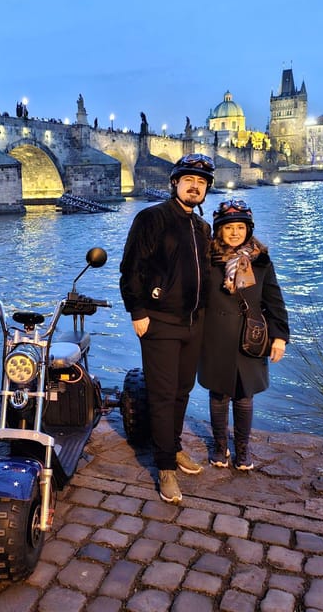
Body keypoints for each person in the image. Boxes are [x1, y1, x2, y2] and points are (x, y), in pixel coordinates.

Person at [119, 153, 214, 503]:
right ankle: (165, 468)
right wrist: (137, 310)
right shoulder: (152, 218)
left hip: (193, 322)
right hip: (159, 319)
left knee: (182, 390)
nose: (195, 186)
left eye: (202, 183)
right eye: (189, 180)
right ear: (175, 183)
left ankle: (172, 448)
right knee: (161, 394)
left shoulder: (203, 228)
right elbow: (131, 268)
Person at [198, 200, 289, 471]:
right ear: (219, 231)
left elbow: (274, 300)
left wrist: (280, 337)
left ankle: (243, 449)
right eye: (228, 228)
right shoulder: (207, 259)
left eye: (240, 227)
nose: (235, 233)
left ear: (249, 229)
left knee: (245, 396)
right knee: (218, 395)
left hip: (250, 336)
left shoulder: (260, 260)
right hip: (214, 336)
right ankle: (218, 446)